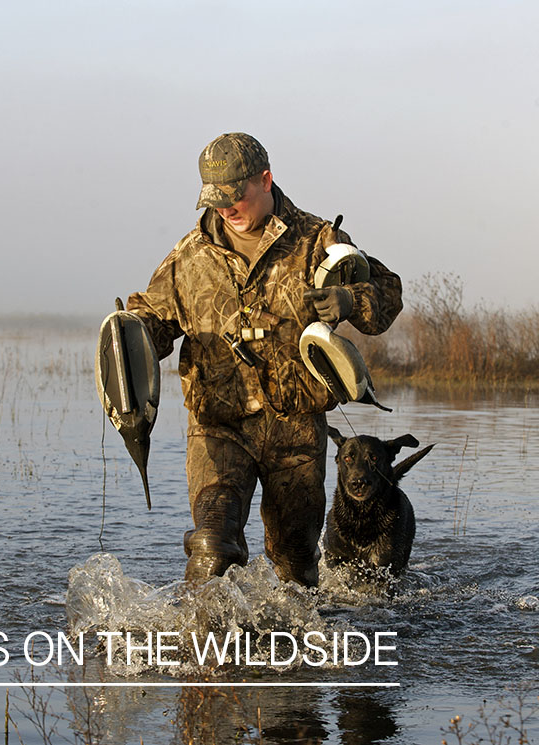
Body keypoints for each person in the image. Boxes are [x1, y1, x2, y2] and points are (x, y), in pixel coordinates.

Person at [126, 132, 402, 587]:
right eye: (216, 200)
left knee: (295, 565)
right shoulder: (190, 255)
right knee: (213, 546)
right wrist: (127, 340)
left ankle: (291, 654)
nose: (226, 209)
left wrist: (350, 299)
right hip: (219, 426)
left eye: (236, 196)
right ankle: (207, 653)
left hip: (295, 429)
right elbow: (152, 320)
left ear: (266, 180)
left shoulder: (318, 240)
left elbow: (388, 292)